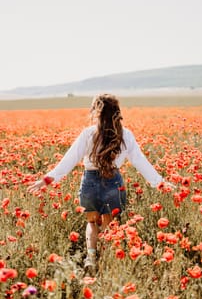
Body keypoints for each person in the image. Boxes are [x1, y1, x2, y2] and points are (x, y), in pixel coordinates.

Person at [27, 93, 173, 270]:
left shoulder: (89, 133)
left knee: (91, 222)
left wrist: (47, 179)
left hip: (90, 182)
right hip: (113, 183)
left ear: (96, 112)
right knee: (108, 223)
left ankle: (91, 257)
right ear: (117, 112)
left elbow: (70, 159)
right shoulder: (125, 135)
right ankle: (106, 260)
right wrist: (159, 182)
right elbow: (140, 161)